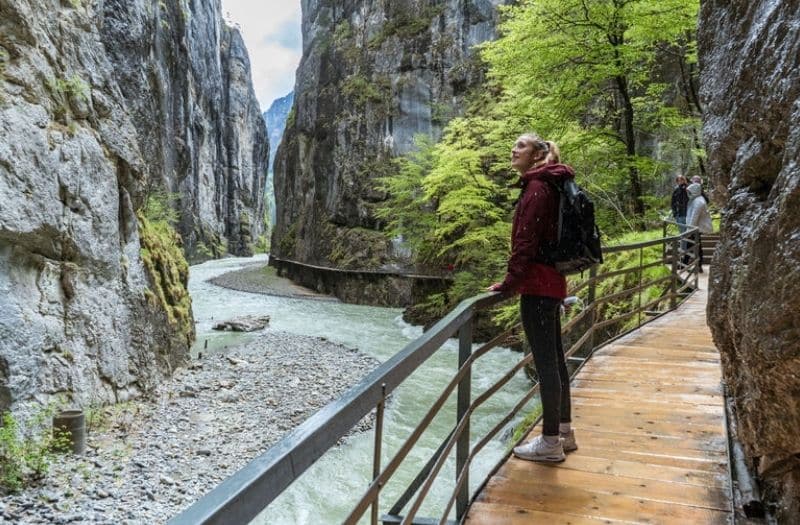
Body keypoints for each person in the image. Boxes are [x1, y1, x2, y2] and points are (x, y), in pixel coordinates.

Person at [488, 133, 576, 463]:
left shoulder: (537, 188)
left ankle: (550, 441)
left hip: (538, 288)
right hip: (552, 283)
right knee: (556, 360)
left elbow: (524, 243)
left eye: (521, 145)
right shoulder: (551, 184)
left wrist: (509, 284)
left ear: (538, 154)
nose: (513, 149)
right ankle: (564, 432)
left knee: (545, 364)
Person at [686, 182, 713, 273]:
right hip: (695, 227)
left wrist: (689, 230)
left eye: (690, 191)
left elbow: (694, 216)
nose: (688, 193)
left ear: (695, 191)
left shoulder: (698, 201)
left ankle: (697, 265)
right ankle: (689, 264)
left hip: (696, 228)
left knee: (696, 246)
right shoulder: (697, 199)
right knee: (693, 245)